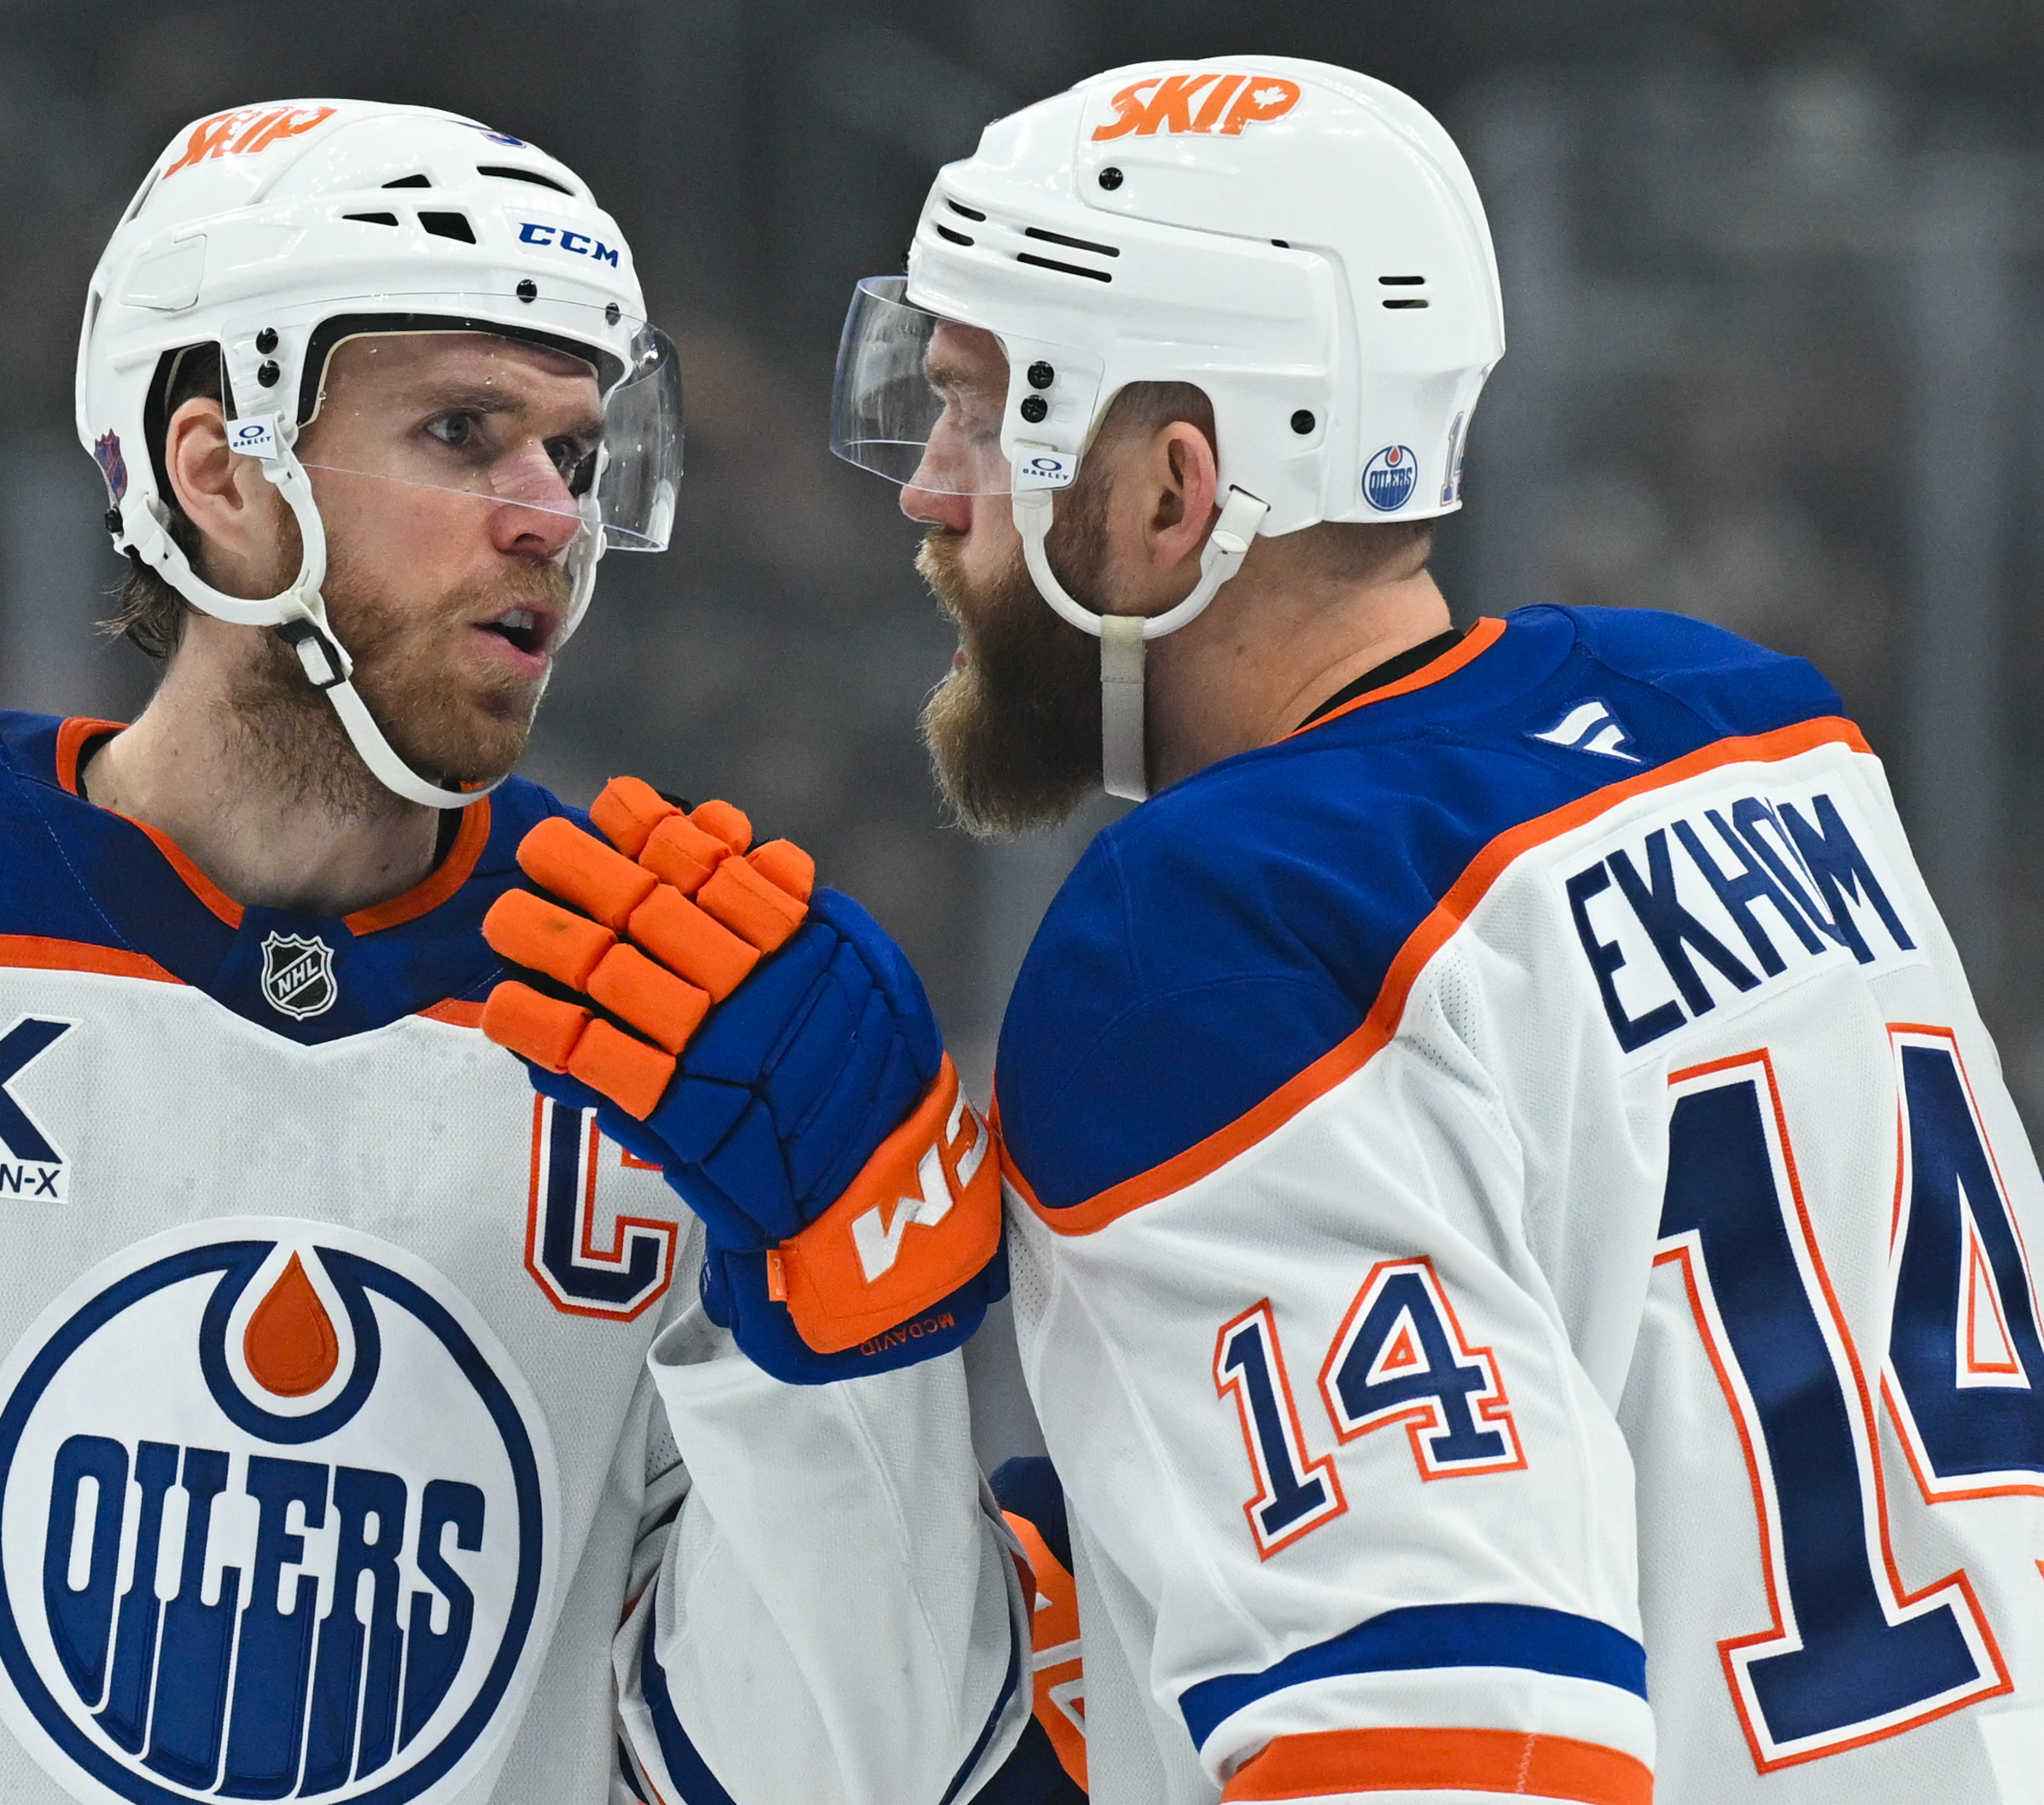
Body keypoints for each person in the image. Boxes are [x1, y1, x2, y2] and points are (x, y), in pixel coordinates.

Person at [0, 101, 1023, 1805]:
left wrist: (847, 1350)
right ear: (217, 471)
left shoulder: (685, 1021)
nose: (547, 517)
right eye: (462, 432)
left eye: (573, 455)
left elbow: (834, 1775)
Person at [831, 55, 2044, 1805]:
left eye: (972, 411)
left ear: (1174, 492)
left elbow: (1453, 1754)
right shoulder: (1753, 727)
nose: (926, 488)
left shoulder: (1204, 932)